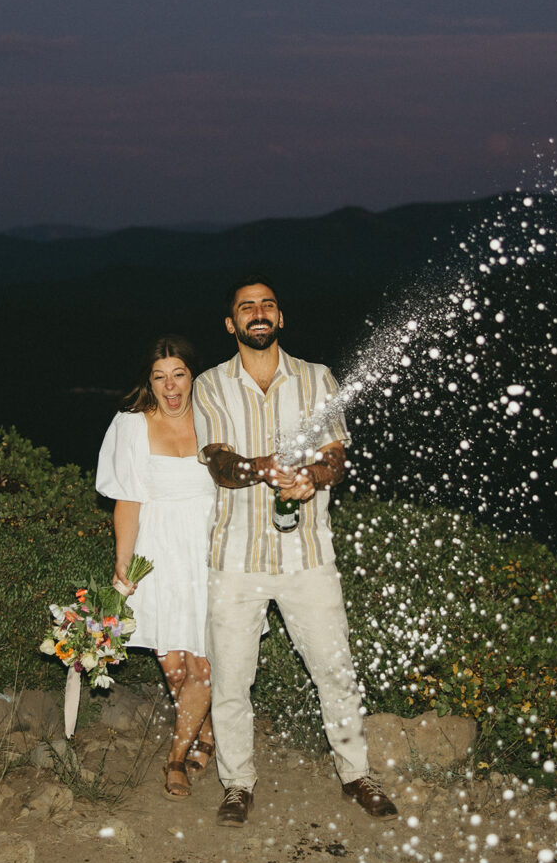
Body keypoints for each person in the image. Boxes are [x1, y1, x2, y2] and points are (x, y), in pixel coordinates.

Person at [192, 276, 398, 826]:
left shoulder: (317, 378)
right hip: (235, 561)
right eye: (245, 308)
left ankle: (357, 773)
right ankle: (238, 784)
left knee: (336, 670)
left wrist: (311, 477)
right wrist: (264, 468)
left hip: (308, 556)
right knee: (232, 679)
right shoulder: (210, 384)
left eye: (267, 305)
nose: (257, 313)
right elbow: (217, 462)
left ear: (280, 318)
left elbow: (336, 456)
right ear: (231, 324)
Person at [96, 334, 216, 800]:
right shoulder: (131, 424)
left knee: (202, 663)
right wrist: (122, 563)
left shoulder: (215, 415)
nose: (170, 387)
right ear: (149, 381)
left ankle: (175, 758)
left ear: (192, 375)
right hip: (158, 553)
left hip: (208, 552)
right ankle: (206, 733)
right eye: (160, 377)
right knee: (174, 667)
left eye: (179, 375)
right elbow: (128, 499)